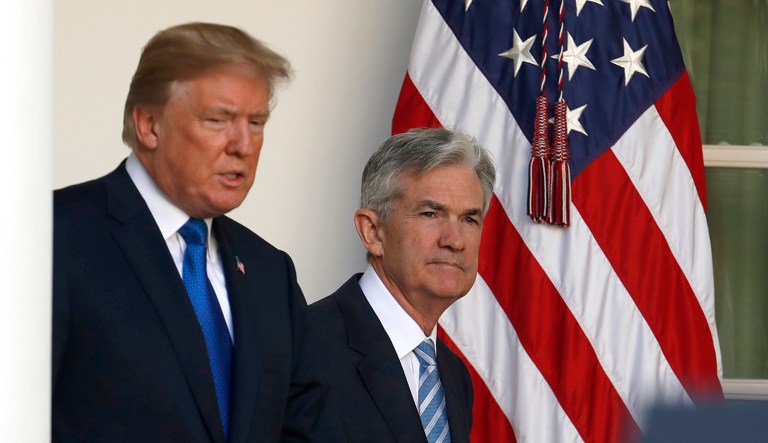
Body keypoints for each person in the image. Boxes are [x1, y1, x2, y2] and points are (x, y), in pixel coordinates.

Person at [53, 22, 325, 442]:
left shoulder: (271, 272)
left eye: (256, 122)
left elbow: (304, 426)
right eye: (218, 120)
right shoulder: (50, 236)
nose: (243, 144)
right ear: (149, 125)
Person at [307, 128, 496, 442]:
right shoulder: (303, 348)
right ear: (373, 232)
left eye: (469, 219)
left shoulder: (454, 376)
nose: (455, 241)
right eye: (430, 214)